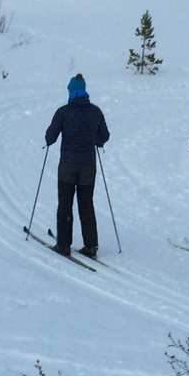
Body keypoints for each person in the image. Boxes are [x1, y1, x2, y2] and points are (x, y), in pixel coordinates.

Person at [45, 73, 109, 257]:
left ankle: (63, 244)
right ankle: (91, 245)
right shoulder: (95, 111)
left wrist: (49, 139)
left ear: (71, 92)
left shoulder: (63, 112)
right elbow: (104, 136)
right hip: (88, 167)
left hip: (67, 167)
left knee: (65, 204)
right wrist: (95, 140)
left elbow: (50, 137)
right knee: (86, 204)